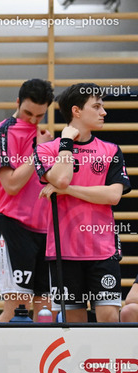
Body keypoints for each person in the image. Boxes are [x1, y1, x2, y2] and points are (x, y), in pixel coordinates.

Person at [35, 83, 131, 323]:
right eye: (96, 106)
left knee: (109, 320)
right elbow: (61, 178)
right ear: (76, 111)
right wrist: (66, 142)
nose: (104, 112)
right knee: (73, 326)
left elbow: (113, 196)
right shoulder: (47, 149)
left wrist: (67, 191)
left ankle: (107, 363)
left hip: (102, 250)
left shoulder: (111, 151)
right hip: (63, 252)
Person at [0, 79, 55, 322]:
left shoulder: (45, 136)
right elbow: (12, 184)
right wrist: (39, 152)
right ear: (17, 102)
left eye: (40, 114)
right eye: (28, 113)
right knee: (17, 311)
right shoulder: (3, 132)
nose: (33, 120)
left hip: (47, 232)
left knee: (47, 312)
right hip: (16, 228)